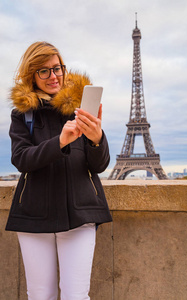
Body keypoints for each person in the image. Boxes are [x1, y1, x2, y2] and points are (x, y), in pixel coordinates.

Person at [5, 41, 112, 300]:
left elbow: (99, 165)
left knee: (76, 296)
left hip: (79, 214)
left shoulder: (81, 109)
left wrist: (97, 138)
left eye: (57, 68)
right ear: (31, 74)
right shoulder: (23, 115)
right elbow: (21, 159)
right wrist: (60, 142)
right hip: (34, 215)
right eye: (44, 71)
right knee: (41, 296)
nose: (53, 76)